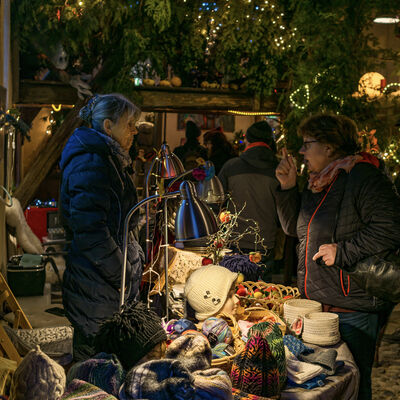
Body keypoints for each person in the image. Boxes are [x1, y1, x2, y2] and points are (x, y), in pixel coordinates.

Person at [275, 113, 400, 400]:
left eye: (307, 144)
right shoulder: (319, 182)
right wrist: (287, 187)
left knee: (354, 386)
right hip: (318, 307)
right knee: (324, 384)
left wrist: (342, 251)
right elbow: (294, 227)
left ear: (329, 146)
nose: (302, 151)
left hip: (352, 310)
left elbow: (391, 228)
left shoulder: (362, 177)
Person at [60, 93, 144, 361]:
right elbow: (91, 231)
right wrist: (122, 272)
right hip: (96, 289)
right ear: (108, 126)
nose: (134, 130)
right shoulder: (92, 161)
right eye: (129, 124)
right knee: (93, 371)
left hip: (104, 288)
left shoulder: (109, 159)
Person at [218, 121, 280, 281]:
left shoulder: (231, 167)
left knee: (232, 290)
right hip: (265, 242)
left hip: (234, 241)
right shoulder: (280, 169)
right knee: (262, 295)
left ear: (247, 140)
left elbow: (217, 201)